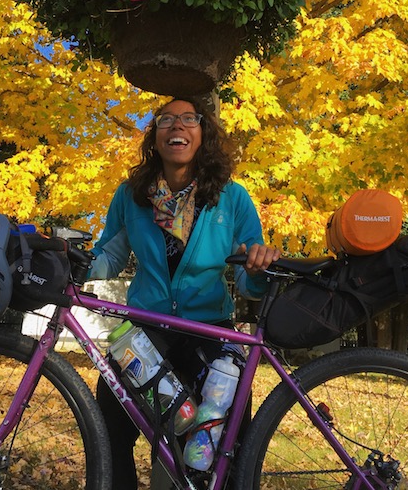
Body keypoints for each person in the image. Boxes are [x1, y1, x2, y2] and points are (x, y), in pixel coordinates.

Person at [88, 97, 280, 489]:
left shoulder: (233, 197)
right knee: (108, 420)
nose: (177, 126)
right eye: (166, 120)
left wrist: (260, 268)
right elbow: (108, 254)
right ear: (155, 137)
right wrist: (72, 267)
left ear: (203, 134)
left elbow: (248, 278)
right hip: (145, 332)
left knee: (230, 439)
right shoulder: (131, 195)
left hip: (211, 331)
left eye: (189, 119)